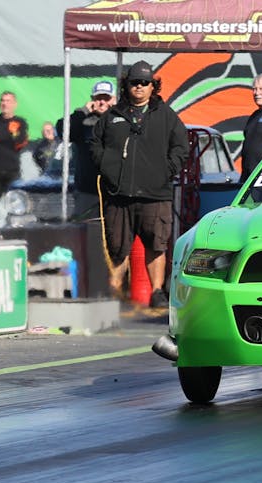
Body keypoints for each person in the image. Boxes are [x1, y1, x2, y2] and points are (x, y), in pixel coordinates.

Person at [91, 60, 188, 308]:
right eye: (135, 82)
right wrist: (107, 168)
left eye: (145, 82)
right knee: (117, 247)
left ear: (153, 86)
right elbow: (95, 144)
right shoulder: (112, 115)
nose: (139, 87)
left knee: (156, 245)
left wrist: (165, 171)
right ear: (126, 85)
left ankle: (157, 293)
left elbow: (181, 147)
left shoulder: (166, 115)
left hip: (155, 195)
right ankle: (115, 294)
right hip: (118, 195)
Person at [57, 80, 116, 219]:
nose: (102, 102)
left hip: (114, 191)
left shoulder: (120, 120)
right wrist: (82, 111)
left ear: (113, 100)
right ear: (92, 100)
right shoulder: (82, 121)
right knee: (85, 227)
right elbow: (63, 131)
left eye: (106, 98)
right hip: (87, 191)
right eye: (98, 98)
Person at [0, 91, 29, 227]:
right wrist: (9, 132)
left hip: (12, 170)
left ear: (14, 104)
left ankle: (13, 231)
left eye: (8, 101)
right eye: (2, 100)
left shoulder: (20, 122)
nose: (4, 103)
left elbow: (20, 141)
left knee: (16, 204)